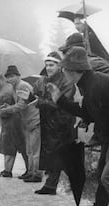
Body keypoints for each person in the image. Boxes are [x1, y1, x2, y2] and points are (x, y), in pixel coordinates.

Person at [49, 46, 109, 206]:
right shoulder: (90, 84)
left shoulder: (96, 86)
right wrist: (60, 100)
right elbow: (87, 113)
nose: (62, 73)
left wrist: (102, 137)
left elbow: (102, 117)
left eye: (64, 69)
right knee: (107, 176)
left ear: (72, 70)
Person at [33, 52, 78, 195]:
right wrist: (32, 97)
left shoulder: (66, 81)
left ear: (59, 66)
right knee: (52, 154)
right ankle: (51, 184)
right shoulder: (44, 80)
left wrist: (38, 101)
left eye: (51, 65)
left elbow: (59, 104)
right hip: (48, 122)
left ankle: (56, 184)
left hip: (62, 122)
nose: (48, 68)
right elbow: (37, 94)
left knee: (59, 154)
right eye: (46, 65)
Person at [0, 65, 40, 182]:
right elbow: (19, 103)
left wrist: (5, 110)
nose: (10, 79)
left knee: (35, 150)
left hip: (34, 119)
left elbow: (21, 105)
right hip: (27, 121)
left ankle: (36, 174)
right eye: (8, 77)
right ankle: (30, 172)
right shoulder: (14, 88)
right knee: (29, 150)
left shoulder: (22, 85)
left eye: (12, 76)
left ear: (18, 76)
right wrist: (7, 106)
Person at [0, 73, 26, 178]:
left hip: (12, 121)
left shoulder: (5, 92)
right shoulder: (3, 90)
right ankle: (10, 169)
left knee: (10, 146)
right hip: (10, 121)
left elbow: (4, 110)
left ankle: (8, 170)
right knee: (17, 146)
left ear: (2, 80)